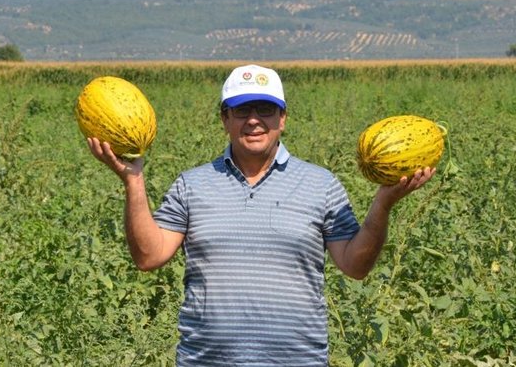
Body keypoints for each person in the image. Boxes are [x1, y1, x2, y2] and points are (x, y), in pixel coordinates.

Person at [86, 64, 435, 366]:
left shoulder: (321, 184)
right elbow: (149, 256)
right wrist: (133, 180)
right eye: (242, 110)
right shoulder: (192, 185)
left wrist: (383, 204)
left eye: (265, 110)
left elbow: (355, 266)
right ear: (225, 119)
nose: (254, 120)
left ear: (282, 119)